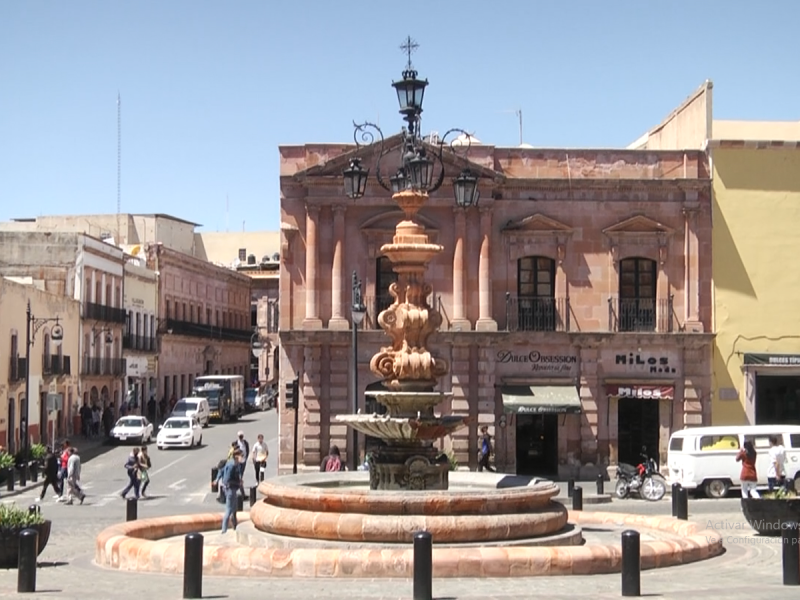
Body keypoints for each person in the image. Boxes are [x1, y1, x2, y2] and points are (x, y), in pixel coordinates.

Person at [220, 449, 243, 534]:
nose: (242, 457)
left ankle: (235, 527)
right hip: (230, 490)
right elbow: (227, 480)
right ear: (236, 456)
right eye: (241, 455)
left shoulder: (234, 464)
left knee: (234, 510)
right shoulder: (232, 465)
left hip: (233, 489)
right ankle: (224, 530)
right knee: (229, 510)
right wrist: (238, 482)